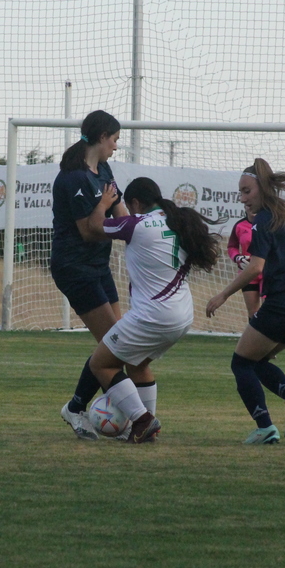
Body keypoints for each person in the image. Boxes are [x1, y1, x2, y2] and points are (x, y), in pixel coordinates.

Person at [84, 177, 220, 443]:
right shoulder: (176, 222)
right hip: (181, 315)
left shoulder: (137, 224)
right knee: (138, 364)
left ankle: (143, 420)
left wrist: (103, 204)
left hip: (153, 316)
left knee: (100, 364)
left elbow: (92, 227)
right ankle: (148, 430)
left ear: (135, 203)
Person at [206, 158, 285, 445]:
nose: (243, 199)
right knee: (257, 361)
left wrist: (222, 295)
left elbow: (255, 268)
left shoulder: (265, 220)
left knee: (240, 364)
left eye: (246, 191)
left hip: (282, 305)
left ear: (262, 188)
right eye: (240, 192)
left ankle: (265, 427)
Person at [51, 110, 129, 440]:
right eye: (114, 140)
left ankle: (102, 409)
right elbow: (90, 230)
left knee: (120, 343)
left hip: (98, 266)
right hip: (74, 267)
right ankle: (82, 408)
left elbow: (121, 214)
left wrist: (139, 230)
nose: (116, 146)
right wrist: (114, 219)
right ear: (101, 138)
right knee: (115, 344)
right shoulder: (74, 178)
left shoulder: (104, 169)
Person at [226, 208, 263, 317]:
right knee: (253, 314)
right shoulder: (239, 225)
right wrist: (238, 258)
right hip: (248, 273)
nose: (252, 208)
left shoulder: (268, 225)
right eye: (248, 205)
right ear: (245, 208)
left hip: (267, 273)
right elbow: (232, 247)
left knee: (268, 312)